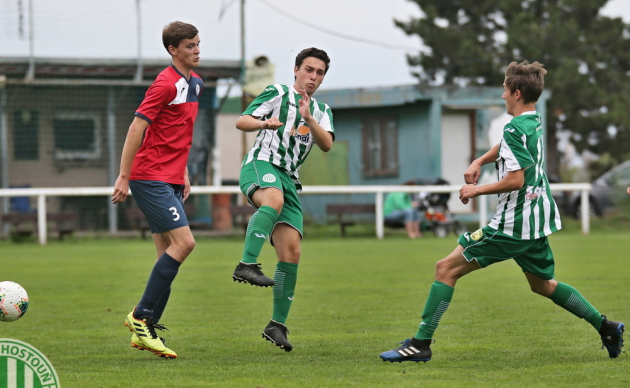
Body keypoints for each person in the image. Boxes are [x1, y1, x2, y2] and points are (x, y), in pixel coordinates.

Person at [380, 61, 624, 363]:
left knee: (445, 268)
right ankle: (607, 327)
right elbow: (507, 147)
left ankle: (420, 344)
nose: (502, 96)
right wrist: (479, 162)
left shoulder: (514, 128)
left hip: (512, 225)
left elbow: (515, 179)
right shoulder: (531, 123)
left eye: (505, 91)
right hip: (535, 221)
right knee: (542, 285)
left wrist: (476, 189)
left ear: (517, 93)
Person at [232, 48, 335, 352]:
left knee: (291, 253)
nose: (313, 77)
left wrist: (308, 119)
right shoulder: (277, 92)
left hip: (289, 178)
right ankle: (246, 264)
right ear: (296, 70)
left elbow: (327, 144)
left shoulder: (322, 111)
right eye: (309, 70)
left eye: (320, 72)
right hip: (262, 164)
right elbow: (242, 121)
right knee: (272, 199)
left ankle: (276, 325)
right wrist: (264, 123)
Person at [112, 21, 202, 359]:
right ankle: (140, 317)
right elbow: (137, 127)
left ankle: (146, 327)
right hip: (149, 176)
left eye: (198, 44)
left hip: (171, 178)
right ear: (172, 50)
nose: (197, 50)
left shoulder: (196, 84)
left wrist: (184, 173)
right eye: (190, 45)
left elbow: (178, 134)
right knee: (185, 243)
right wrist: (124, 175)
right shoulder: (164, 84)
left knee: (167, 253)